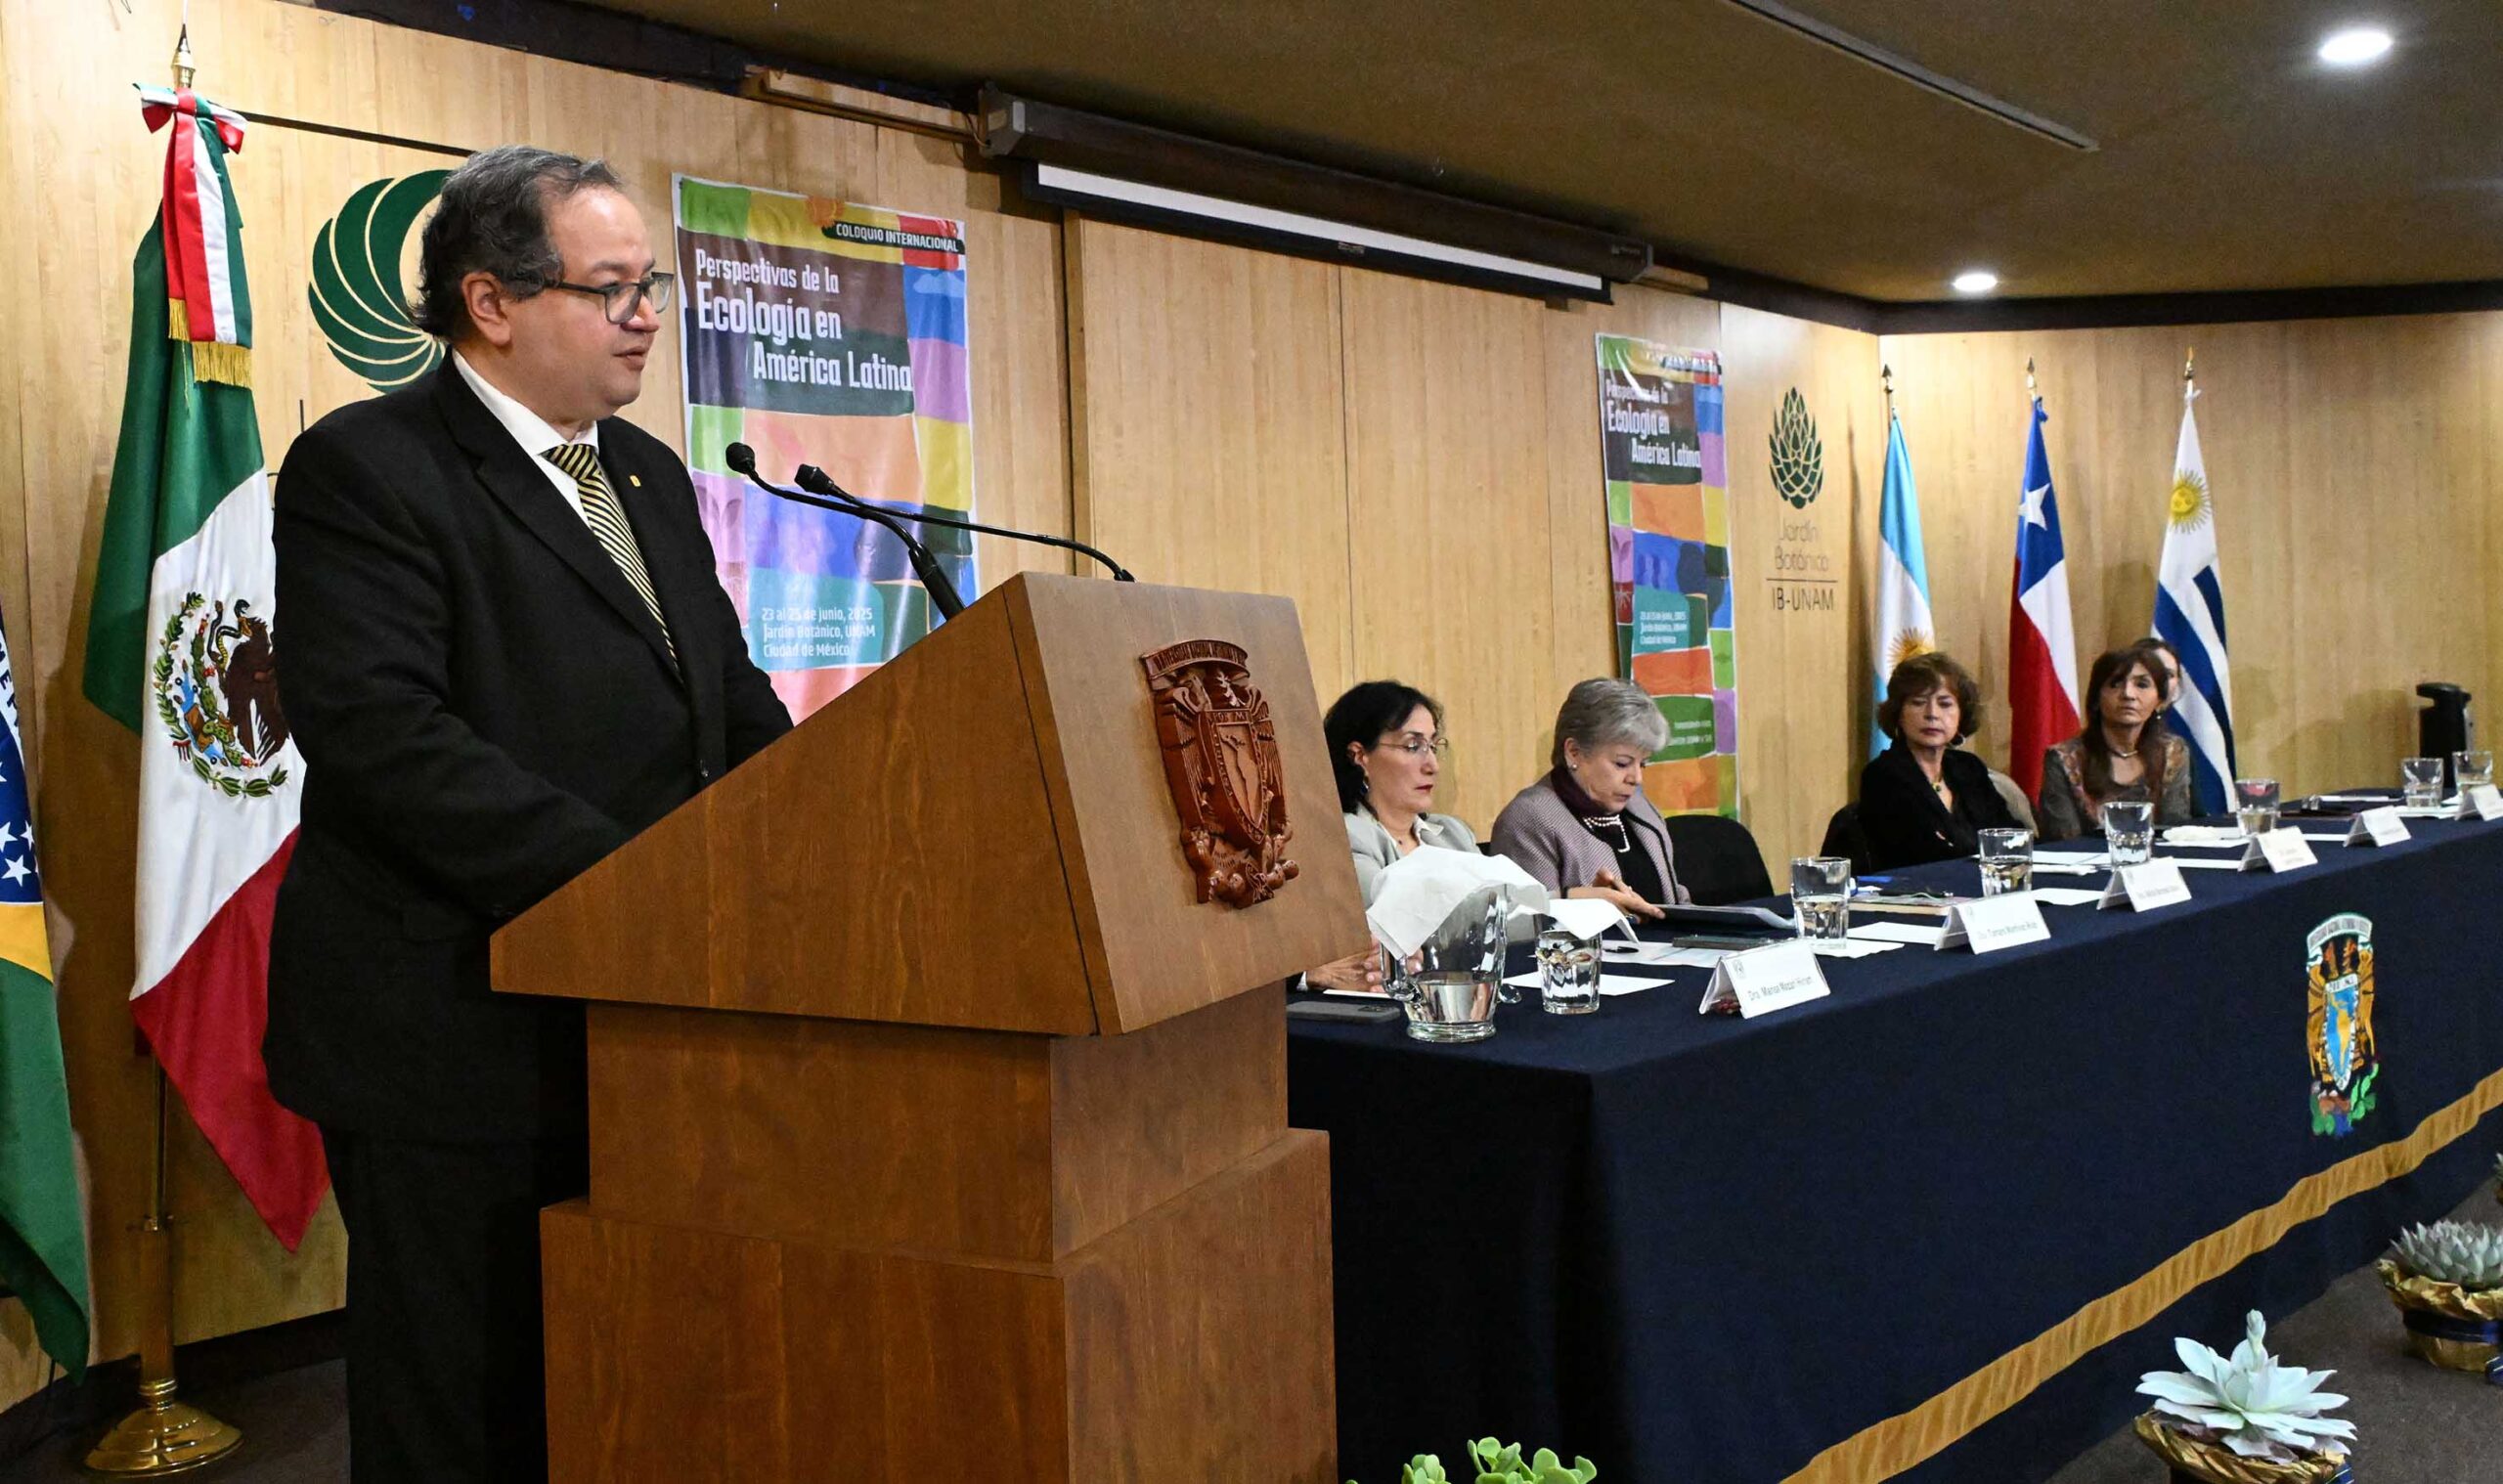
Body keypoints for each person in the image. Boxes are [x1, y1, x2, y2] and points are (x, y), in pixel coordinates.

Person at [267, 147, 793, 1484]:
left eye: (651, 286)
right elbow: (388, 741)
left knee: (615, 1379)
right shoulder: (368, 468)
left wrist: (800, 836)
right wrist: (647, 887)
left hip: (642, 1021)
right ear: (490, 303)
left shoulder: (649, 476)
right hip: (451, 1027)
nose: (646, 316)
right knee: (467, 1398)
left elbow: (727, 700)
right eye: (610, 288)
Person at [1303, 681, 1477, 991]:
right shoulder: (1344, 835)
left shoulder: (1452, 832)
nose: (1433, 765)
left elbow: (1516, 920)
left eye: (1433, 746)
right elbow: (1407, 924)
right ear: (1359, 756)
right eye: (1413, 747)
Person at [1491, 677, 1688, 917]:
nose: (1636, 778)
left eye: (1643, 764)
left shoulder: (1641, 809)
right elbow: (1525, 923)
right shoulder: (1530, 819)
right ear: (1574, 752)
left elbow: (1676, 900)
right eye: (1622, 763)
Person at [1859, 652, 2022, 868]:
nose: (1932, 714)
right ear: (1899, 714)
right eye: (1918, 703)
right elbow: (1919, 854)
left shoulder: (1968, 768)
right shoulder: (1883, 775)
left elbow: (2010, 836)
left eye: (1945, 704)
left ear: (1961, 714)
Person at [2037, 642, 2194, 841]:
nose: (2128, 694)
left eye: (2142, 685)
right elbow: (2064, 843)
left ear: (2160, 700)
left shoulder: (2172, 752)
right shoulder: (2063, 759)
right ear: (2096, 697)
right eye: (2115, 684)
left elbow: (2175, 833)